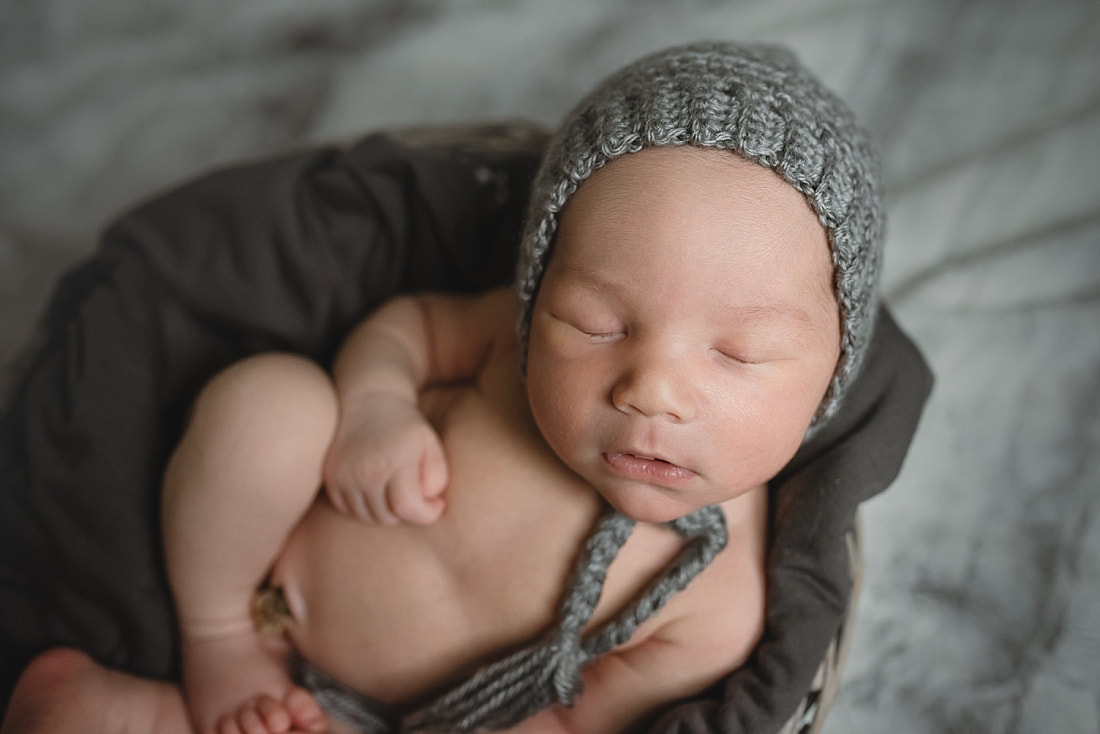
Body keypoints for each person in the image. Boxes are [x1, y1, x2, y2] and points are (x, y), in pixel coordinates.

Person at [1, 40, 885, 734]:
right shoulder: (505, 335)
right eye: (598, 323)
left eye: (736, 353)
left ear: (829, 381)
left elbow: (574, 723)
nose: (652, 388)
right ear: (541, 288)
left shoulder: (722, 601)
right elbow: (410, 327)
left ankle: (118, 710)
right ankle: (211, 644)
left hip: (365, 721)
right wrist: (375, 408)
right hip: (257, 582)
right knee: (272, 405)